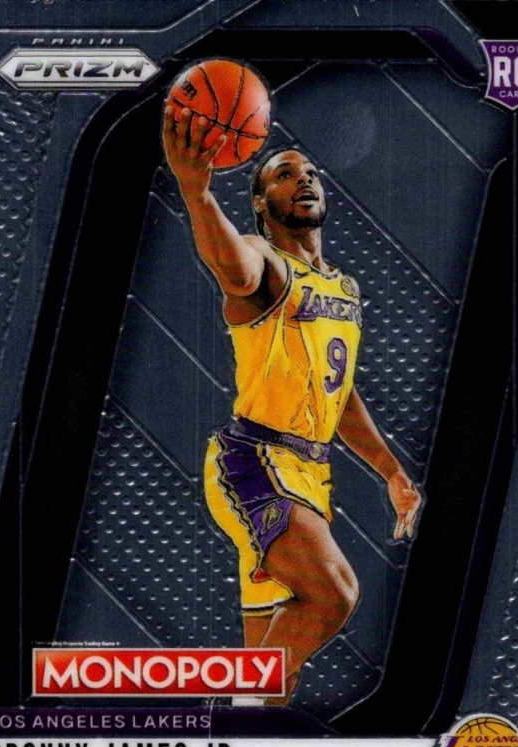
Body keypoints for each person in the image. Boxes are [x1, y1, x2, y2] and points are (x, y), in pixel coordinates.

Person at [163, 106, 421, 705]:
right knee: (334, 594)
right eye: (283, 174)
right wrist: (197, 194)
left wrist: (392, 472)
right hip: (254, 463)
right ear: (260, 203)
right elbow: (234, 269)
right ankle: (234, 718)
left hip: (310, 473)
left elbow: (341, 394)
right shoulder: (264, 258)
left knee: (278, 673)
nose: (302, 178)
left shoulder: (344, 288)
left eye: (309, 173)